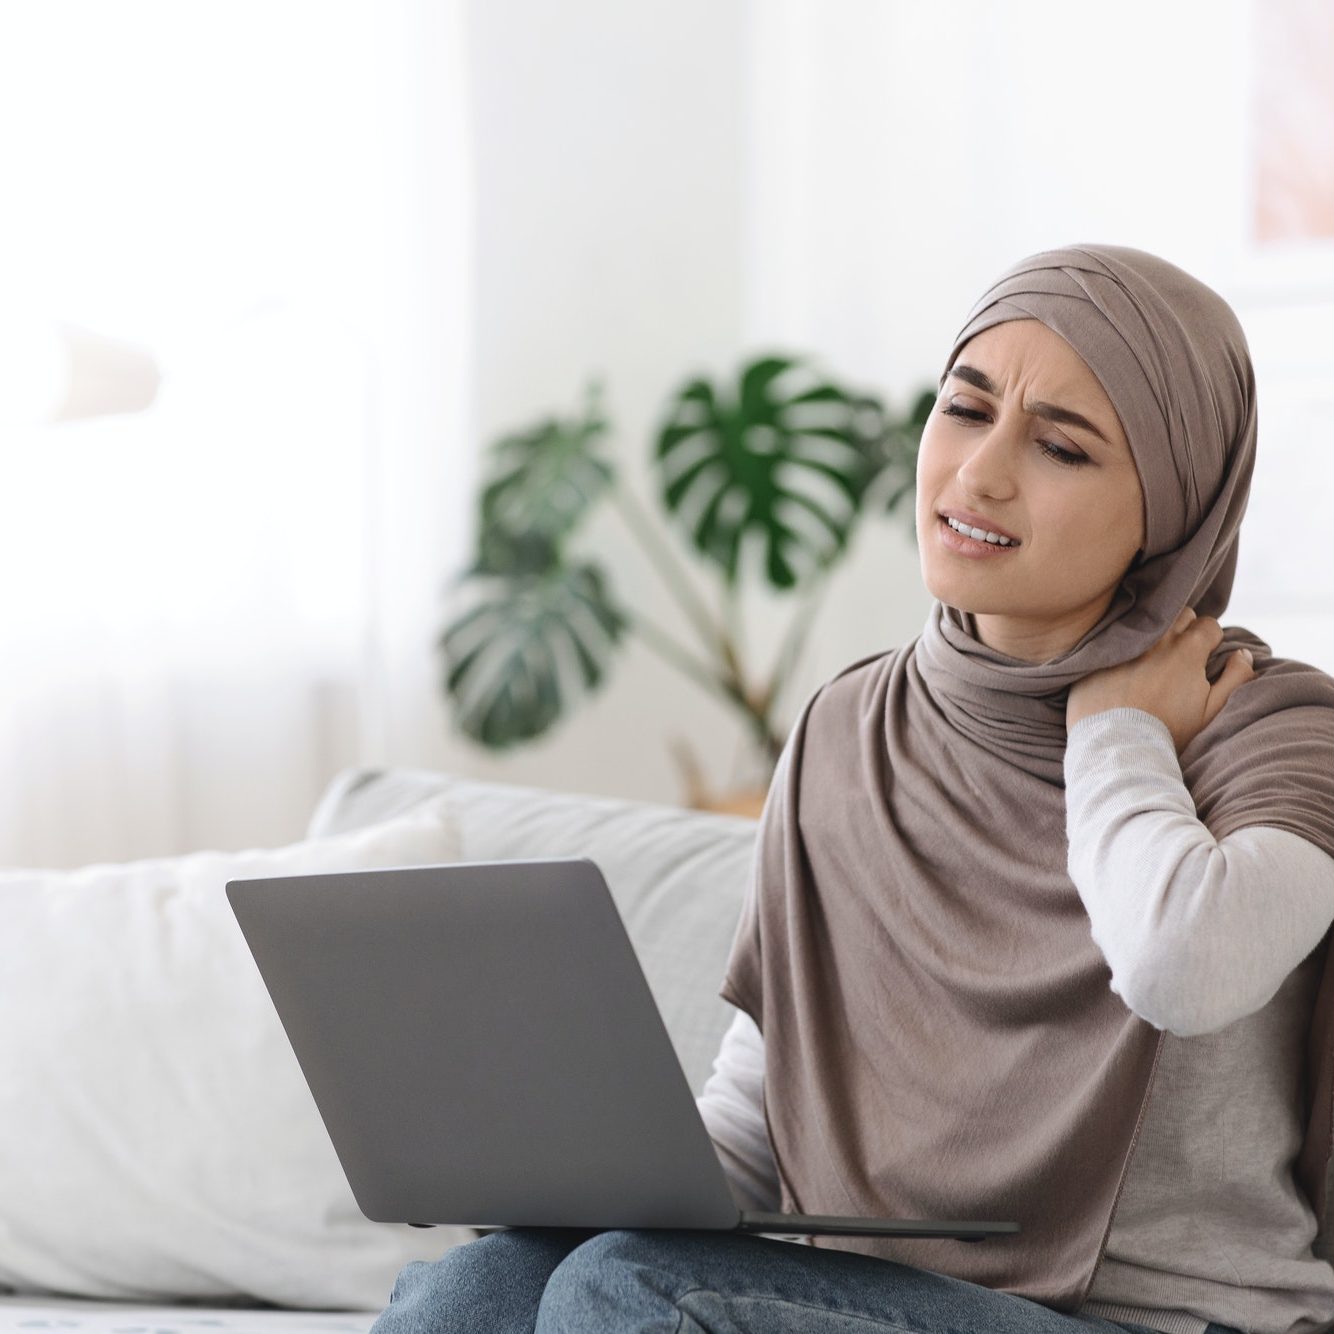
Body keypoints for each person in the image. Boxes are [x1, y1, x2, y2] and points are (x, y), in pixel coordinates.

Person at [369, 245, 1334, 1333]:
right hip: (873, 1303)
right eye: (964, 410)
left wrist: (1114, 733)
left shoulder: (1270, 725)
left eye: (1060, 446)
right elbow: (761, 1115)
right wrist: (576, 1176)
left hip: (1156, 1321)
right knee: (482, 1284)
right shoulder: (846, 725)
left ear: (1174, 507)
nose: (979, 473)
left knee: (627, 1287)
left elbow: (1182, 963)